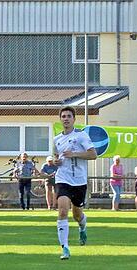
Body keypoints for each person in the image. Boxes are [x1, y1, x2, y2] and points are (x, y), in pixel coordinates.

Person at [53, 106, 97, 260]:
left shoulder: (81, 136)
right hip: (62, 179)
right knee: (63, 210)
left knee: (77, 214)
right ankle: (65, 248)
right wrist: (56, 162)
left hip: (79, 180)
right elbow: (56, 158)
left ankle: (82, 226)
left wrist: (75, 154)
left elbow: (93, 154)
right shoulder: (57, 139)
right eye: (63, 116)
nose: (66, 119)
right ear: (60, 119)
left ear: (74, 119)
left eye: (68, 116)